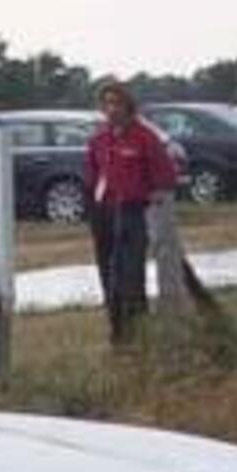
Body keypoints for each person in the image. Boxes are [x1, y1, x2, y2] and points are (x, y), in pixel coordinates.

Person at [84, 80, 179, 346]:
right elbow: (92, 176)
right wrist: (92, 208)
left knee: (130, 275)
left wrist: (153, 202)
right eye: (106, 104)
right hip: (104, 213)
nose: (111, 109)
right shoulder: (99, 139)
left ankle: (138, 330)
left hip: (132, 213)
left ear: (128, 106)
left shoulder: (144, 137)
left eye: (117, 103)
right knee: (109, 275)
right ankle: (118, 334)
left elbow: (165, 177)